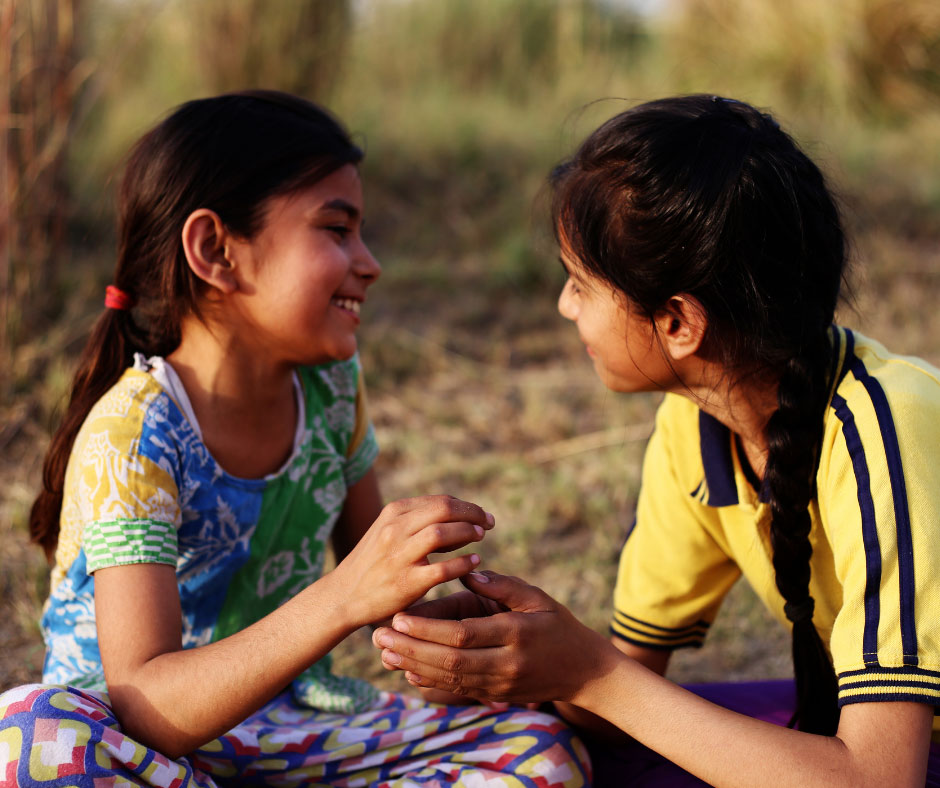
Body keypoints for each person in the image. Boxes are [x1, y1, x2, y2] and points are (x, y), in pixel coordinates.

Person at [0, 91, 589, 788]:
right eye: (336, 230)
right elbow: (148, 706)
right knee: (28, 739)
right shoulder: (132, 436)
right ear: (216, 251)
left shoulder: (334, 390)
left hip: (290, 729)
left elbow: (387, 597)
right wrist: (344, 596)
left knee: (540, 748)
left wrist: (464, 642)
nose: (368, 263)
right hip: (139, 747)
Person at [371, 94, 940, 786]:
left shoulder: (887, 428)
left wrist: (590, 671)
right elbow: (625, 690)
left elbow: (880, 778)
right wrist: (512, 659)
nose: (562, 305)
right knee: (552, 744)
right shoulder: (696, 425)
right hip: (881, 739)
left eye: (580, 283)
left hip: (896, 754)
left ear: (677, 323)